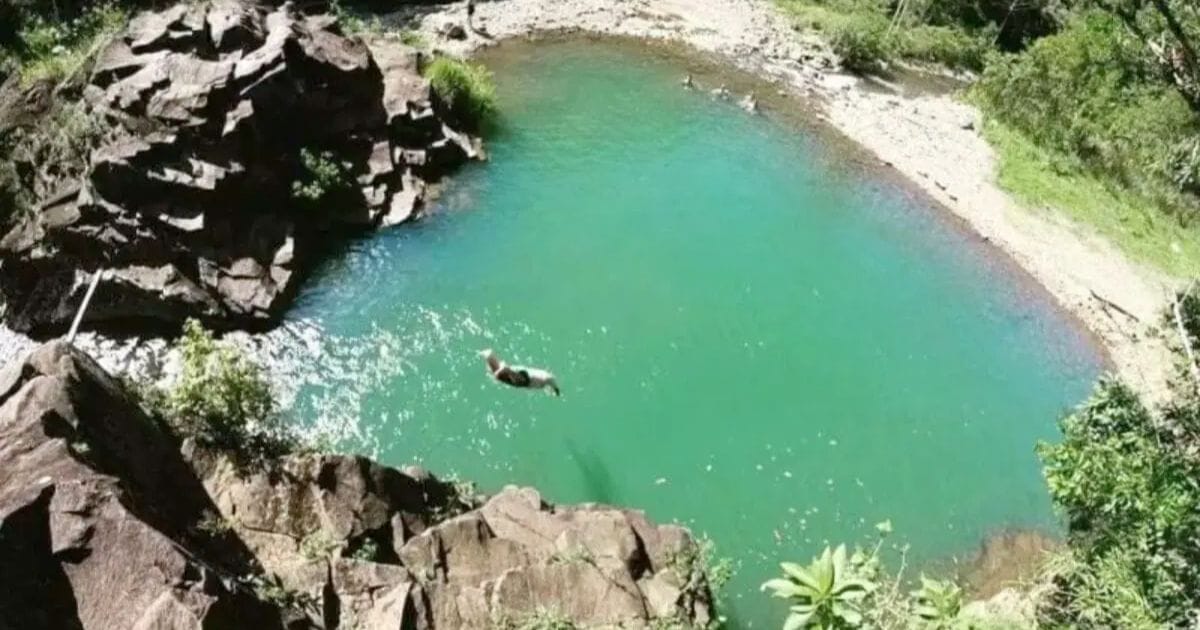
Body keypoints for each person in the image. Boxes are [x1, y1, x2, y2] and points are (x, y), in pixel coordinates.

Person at [479, 349, 561, 396]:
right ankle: (503, 367)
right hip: (527, 379)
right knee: (499, 376)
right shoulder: (546, 379)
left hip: (524, 373)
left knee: (499, 375)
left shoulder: (545, 376)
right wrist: (557, 391)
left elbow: (549, 380)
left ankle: (490, 356)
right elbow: (549, 380)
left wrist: (555, 389)